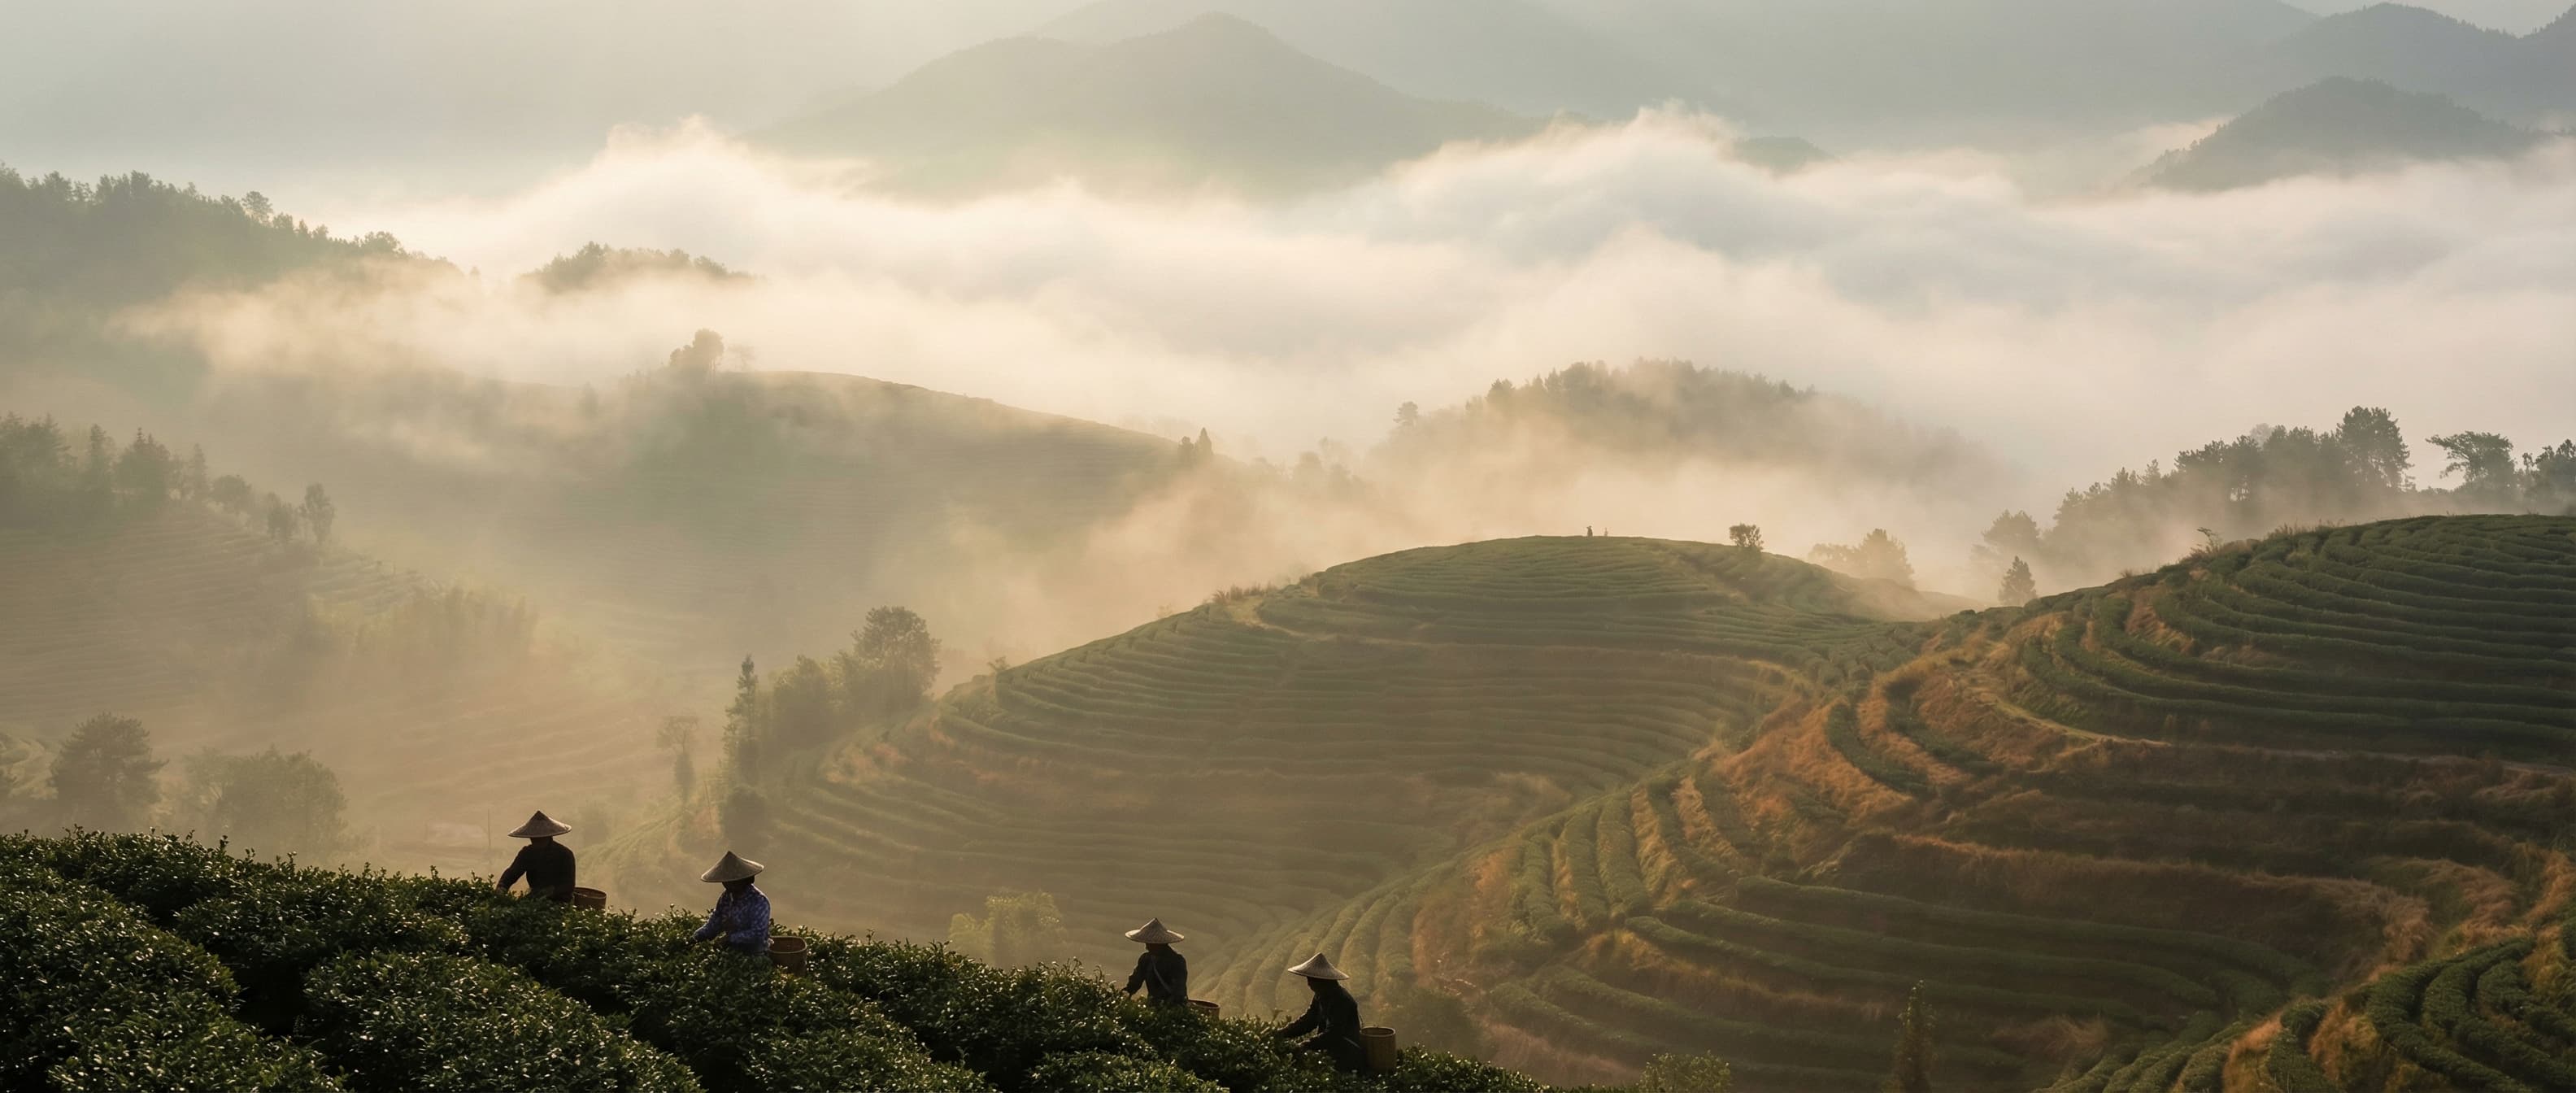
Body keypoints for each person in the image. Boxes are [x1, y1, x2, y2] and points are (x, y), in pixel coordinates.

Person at [1275, 953, 1365, 1072]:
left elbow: (1334, 1034)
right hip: (1332, 1052)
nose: (1309, 984)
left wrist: (1306, 1044)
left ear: (1322, 980)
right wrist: (1281, 1033)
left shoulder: (1341, 1000)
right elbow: (1308, 1021)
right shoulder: (1321, 995)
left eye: (1311, 979)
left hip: (1346, 1055)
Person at [690, 851, 771, 957]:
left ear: (746, 880)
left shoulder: (759, 901)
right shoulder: (726, 898)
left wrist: (730, 939)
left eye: (733, 882)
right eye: (726, 881)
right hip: (730, 950)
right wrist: (695, 938)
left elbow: (757, 934)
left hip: (755, 953)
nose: (728, 885)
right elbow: (714, 923)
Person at [494, 811, 576, 902]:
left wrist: (546, 893)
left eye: (539, 839)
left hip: (560, 901)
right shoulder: (527, 853)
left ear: (548, 837)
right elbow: (512, 873)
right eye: (534, 838)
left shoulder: (564, 854)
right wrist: (502, 887)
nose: (535, 841)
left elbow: (568, 886)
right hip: (535, 899)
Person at [1121, 918, 1188, 1005]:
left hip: (1173, 1009)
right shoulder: (1146, 959)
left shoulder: (1176, 961)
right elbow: (1135, 983)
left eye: (1150, 944)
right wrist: (1125, 994)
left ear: (1160, 944)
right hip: (1152, 1006)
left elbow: (1178, 990)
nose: (1147, 947)